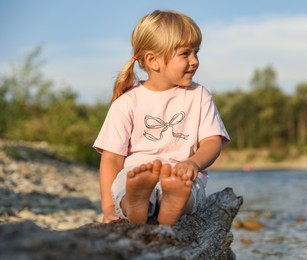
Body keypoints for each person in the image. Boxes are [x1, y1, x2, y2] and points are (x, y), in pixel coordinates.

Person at [93, 10, 230, 225]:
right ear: (153, 60)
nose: (194, 60)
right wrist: (109, 208)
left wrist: (194, 163)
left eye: (196, 52)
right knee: (128, 188)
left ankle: (170, 204)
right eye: (185, 54)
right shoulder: (127, 103)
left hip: (182, 175)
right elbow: (111, 158)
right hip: (136, 173)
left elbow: (213, 142)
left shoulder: (199, 95)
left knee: (185, 190)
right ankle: (136, 205)